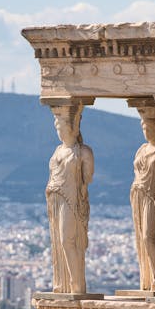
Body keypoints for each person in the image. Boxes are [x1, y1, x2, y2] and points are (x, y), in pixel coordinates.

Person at [46, 105, 94, 294]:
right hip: (55, 199)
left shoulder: (83, 152)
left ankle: (76, 284)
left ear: (72, 128)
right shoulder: (58, 150)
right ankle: (63, 282)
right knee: (59, 241)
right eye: (57, 127)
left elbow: (88, 177)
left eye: (62, 127)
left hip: (71, 199)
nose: (59, 131)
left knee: (68, 240)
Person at [130, 108, 155, 292]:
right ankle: (153, 277)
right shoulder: (142, 150)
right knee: (144, 237)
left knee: (149, 236)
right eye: (144, 128)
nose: (146, 131)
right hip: (140, 196)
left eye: (150, 128)